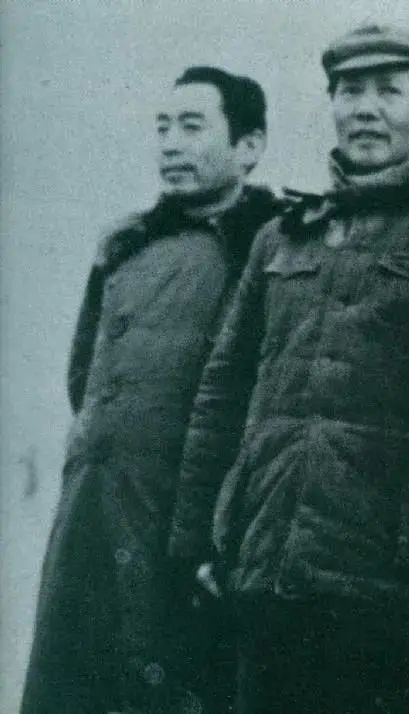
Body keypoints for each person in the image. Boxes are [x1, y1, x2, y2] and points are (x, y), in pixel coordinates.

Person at [167, 24, 409, 714]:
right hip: (270, 570)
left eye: (388, 91)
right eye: (349, 91)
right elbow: (221, 391)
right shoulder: (281, 239)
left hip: (403, 588)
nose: (365, 108)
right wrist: (197, 533)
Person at [22, 66, 283, 714]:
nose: (170, 144)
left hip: (193, 524)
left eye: (192, 127)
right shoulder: (125, 247)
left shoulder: (270, 247)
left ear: (249, 146)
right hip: (96, 508)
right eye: (162, 128)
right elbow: (84, 376)